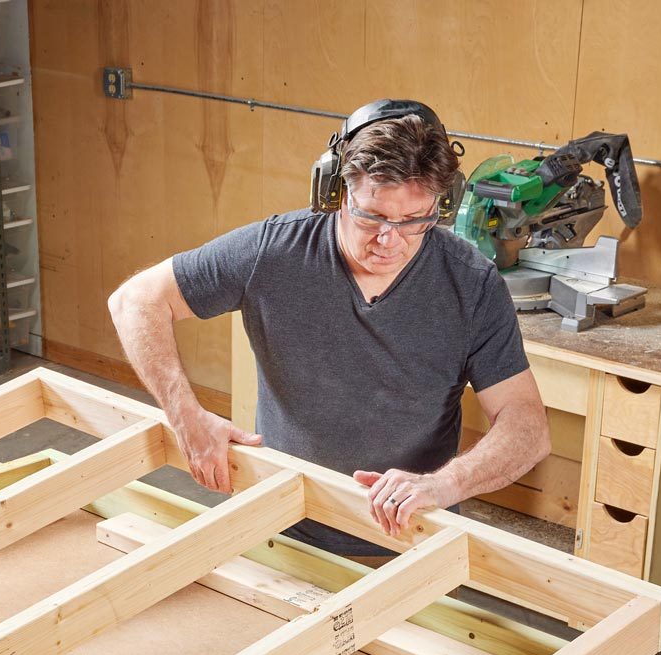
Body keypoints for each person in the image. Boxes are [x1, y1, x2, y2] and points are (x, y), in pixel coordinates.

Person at [107, 99, 551, 560]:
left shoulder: (470, 282)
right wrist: (188, 420)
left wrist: (444, 483)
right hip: (278, 524)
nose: (389, 240)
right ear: (335, 192)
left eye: (415, 220)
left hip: (409, 539)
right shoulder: (274, 253)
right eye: (372, 216)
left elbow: (527, 425)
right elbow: (135, 301)